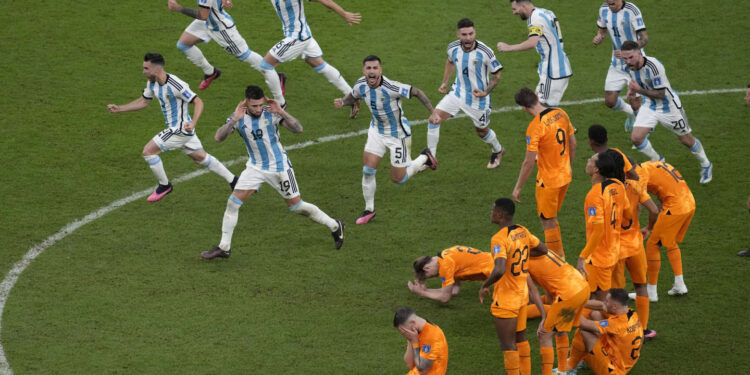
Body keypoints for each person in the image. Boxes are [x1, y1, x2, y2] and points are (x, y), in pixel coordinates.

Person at [201, 85, 344, 259]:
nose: (259, 109)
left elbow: (298, 129)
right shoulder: (237, 116)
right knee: (233, 203)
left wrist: (281, 112)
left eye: (261, 105)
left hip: (279, 168)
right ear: (246, 102)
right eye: (254, 106)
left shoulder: (271, 112)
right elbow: (218, 138)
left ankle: (335, 225)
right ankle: (224, 247)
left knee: (297, 206)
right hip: (255, 167)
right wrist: (233, 120)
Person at [107, 53, 236, 202]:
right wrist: (120, 108)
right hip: (182, 130)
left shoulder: (176, 84)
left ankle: (165, 185)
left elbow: (198, 102)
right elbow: (144, 101)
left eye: (146, 68)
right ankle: (234, 180)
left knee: (148, 152)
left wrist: (193, 123)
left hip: (181, 129)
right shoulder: (152, 83)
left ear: (156, 70)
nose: (143, 72)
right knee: (200, 157)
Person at [334, 55, 437, 225]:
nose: (372, 71)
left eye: (375, 68)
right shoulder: (361, 84)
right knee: (368, 170)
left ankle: (425, 157)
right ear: (363, 71)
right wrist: (343, 103)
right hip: (376, 131)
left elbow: (417, 92)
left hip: (398, 135)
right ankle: (369, 209)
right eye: (369, 68)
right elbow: (353, 95)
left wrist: (432, 112)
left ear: (380, 70)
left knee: (399, 178)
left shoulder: (392, 87)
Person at [620, 41, 713, 183]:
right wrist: (631, 91)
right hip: (650, 105)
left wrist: (639, 90)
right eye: (625, 58)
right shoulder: (629, 66)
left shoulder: (654, 67)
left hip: (669, 107)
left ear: (639, 53)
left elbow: (661, 94)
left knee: (686, 139)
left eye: (631, 57)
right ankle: (659, 161)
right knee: (636, 138)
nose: (628, 61)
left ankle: (706, 164)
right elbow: (634, 82)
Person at [167, 0, 286, 103]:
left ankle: (276, 75)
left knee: (245, 55)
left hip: (220, 28)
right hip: (208, 21)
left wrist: (179, 8)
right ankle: (210, 72)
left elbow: (203, 15)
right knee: (183, 44)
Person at [426, 18, 505, 169]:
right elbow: (450, 61)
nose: (468, 37)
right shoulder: (452, 48)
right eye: (464, 34)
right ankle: (431, 158)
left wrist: (485, 92)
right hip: (457, 92)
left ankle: (498, 150)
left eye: (471, 33)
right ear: (458, 35)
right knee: (434, 119)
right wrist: (445, 82)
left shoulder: (485, 52)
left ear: (475, 32)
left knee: (482, 131)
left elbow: (497, 75)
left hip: (478, 99)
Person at [479, 198, 546, 375]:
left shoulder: (499, 239)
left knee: (508, 345)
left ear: (500, 215)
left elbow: (499, 269)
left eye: (493, 210)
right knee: (521, 338)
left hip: (506, 299)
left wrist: (484, 285)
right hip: (522, 294)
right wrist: (521, 255)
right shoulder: (522, 231)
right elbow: (543, 249)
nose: (490, 212)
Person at [264, 0, 361, 117]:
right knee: (318, 64)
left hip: (297, 38)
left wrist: (344, 14)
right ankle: (353, 96)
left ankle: (281, 103)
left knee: (266, 66)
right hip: (304, 35)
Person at [512, 87, 577, 257]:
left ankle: (558, 260)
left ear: (524, 108)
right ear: (536, 96)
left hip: (548, 182)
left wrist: (518, 187)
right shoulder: (561, 113)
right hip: (566, 176)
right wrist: (567, 165)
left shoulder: (535, 127)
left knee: (547, 220)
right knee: (552, 218)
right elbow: (573, 143)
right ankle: (559, 254)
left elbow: (528, 162)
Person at [527, 245, 590, 375]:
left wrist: (544, 316)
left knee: (544, 334)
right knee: (561, 330)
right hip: (582, 287)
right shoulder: (545, 252)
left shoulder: (521, 262)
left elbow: (533, 291)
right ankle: (562, 371)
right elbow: (548, 284)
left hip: (568, 294)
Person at [637, 160, 695, 299]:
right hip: (689, 203)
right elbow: (662, 195)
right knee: (670, 241)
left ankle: (651, 291)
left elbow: (646, 206)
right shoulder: (652, 164)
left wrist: (648, 227)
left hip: (675, 207)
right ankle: (679, 284)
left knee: (652, 245)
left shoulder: (639, 175)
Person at [615, 158, 659, 339]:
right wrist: (648, 228)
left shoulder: (608, 191)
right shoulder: (636, 186)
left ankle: (621, 329)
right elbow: (655, 210)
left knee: (616, 291)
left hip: (616, 247)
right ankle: (643, 328)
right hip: (635, 244)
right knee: (641, 285)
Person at [498, 0, 572, 107]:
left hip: (553, 71)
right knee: (542, 109)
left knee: (542, 109)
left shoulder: (535, 19)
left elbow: (532, 43)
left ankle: (567, 125)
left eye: (515, 9)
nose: (514, 12)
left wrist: (509, 47)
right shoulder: (547, 12)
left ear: (523, 6)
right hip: (560, 65)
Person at [578, 151, 629, 302]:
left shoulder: (594, 195)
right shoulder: (618, 185)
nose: (588, 160)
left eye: (592, 160)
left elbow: (598, 231)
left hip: (599, 258)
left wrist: (583, 256)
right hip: (614, 251)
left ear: (596, 170)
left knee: (597, 302)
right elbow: (628, 213)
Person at [592, 0, 649, 132]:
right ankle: (630, 114)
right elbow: (602, 30)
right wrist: (599, 37)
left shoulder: (632, 11)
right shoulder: (604, 9)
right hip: (617, 63)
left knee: (636, 103)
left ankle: (641, 134)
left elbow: (644, 38)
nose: (609, 3)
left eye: (613, 2)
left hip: (634, 63)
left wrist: (627, 51)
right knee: (610, 101)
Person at [566, 289, 644, 375]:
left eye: (607, 301)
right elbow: (601, 306)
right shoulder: (630, 313)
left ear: (614, 307)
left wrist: (570, 307)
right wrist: (576, 302)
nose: (604, 302)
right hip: (624, 361)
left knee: (585, 331)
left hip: (614, 370)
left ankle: (571, 367)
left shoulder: (617, 324)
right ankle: (582, 358)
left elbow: (584, 324)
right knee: (595, 314)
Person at [408, 245, 494, 303]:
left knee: (502, 307)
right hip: (497, 260)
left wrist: (422, 293)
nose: (437, 275)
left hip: (498, 271)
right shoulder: (446, 255)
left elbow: (445, 298)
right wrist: (426, 290)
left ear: (426, 268)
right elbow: (455, 290)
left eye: (432, 276)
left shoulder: (445, 266)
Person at [393, 306, 449, 375]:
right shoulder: (414, 334)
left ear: (412, 322)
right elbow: (409, 364)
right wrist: (410, 341)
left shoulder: (432, 335)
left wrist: (415, 343)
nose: (405, 335)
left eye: (404, 332)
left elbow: (422, 370)